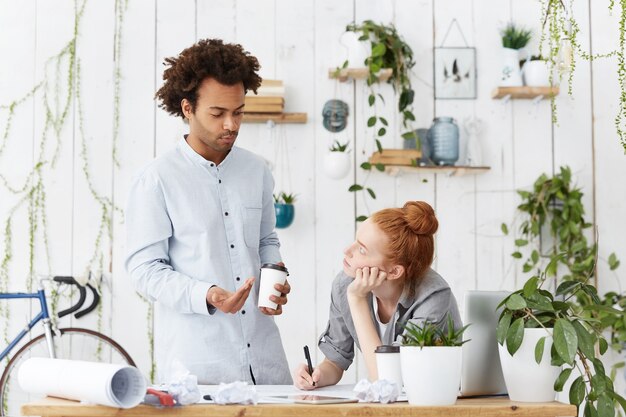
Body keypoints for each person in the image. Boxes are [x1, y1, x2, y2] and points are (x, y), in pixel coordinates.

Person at [125, 39, 292, 385]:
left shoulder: (256, 170)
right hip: (199, 368)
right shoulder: (157, 179)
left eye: (239, 111)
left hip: (266, 364)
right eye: (218, 113)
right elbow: (145, 269)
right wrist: (207, 294)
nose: (231, 124)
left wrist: (274, 277)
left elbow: (265, 240)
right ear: (187, 108)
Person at [293, 201, 461, 389]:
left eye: (362, 250)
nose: (347, 251)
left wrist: (357, 301)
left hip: (436, 401)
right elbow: (335, 361)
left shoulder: (433, 296)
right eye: (355, 241)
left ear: (394, 272)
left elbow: (389, 381)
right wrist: (317, 375)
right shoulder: (346, 284)